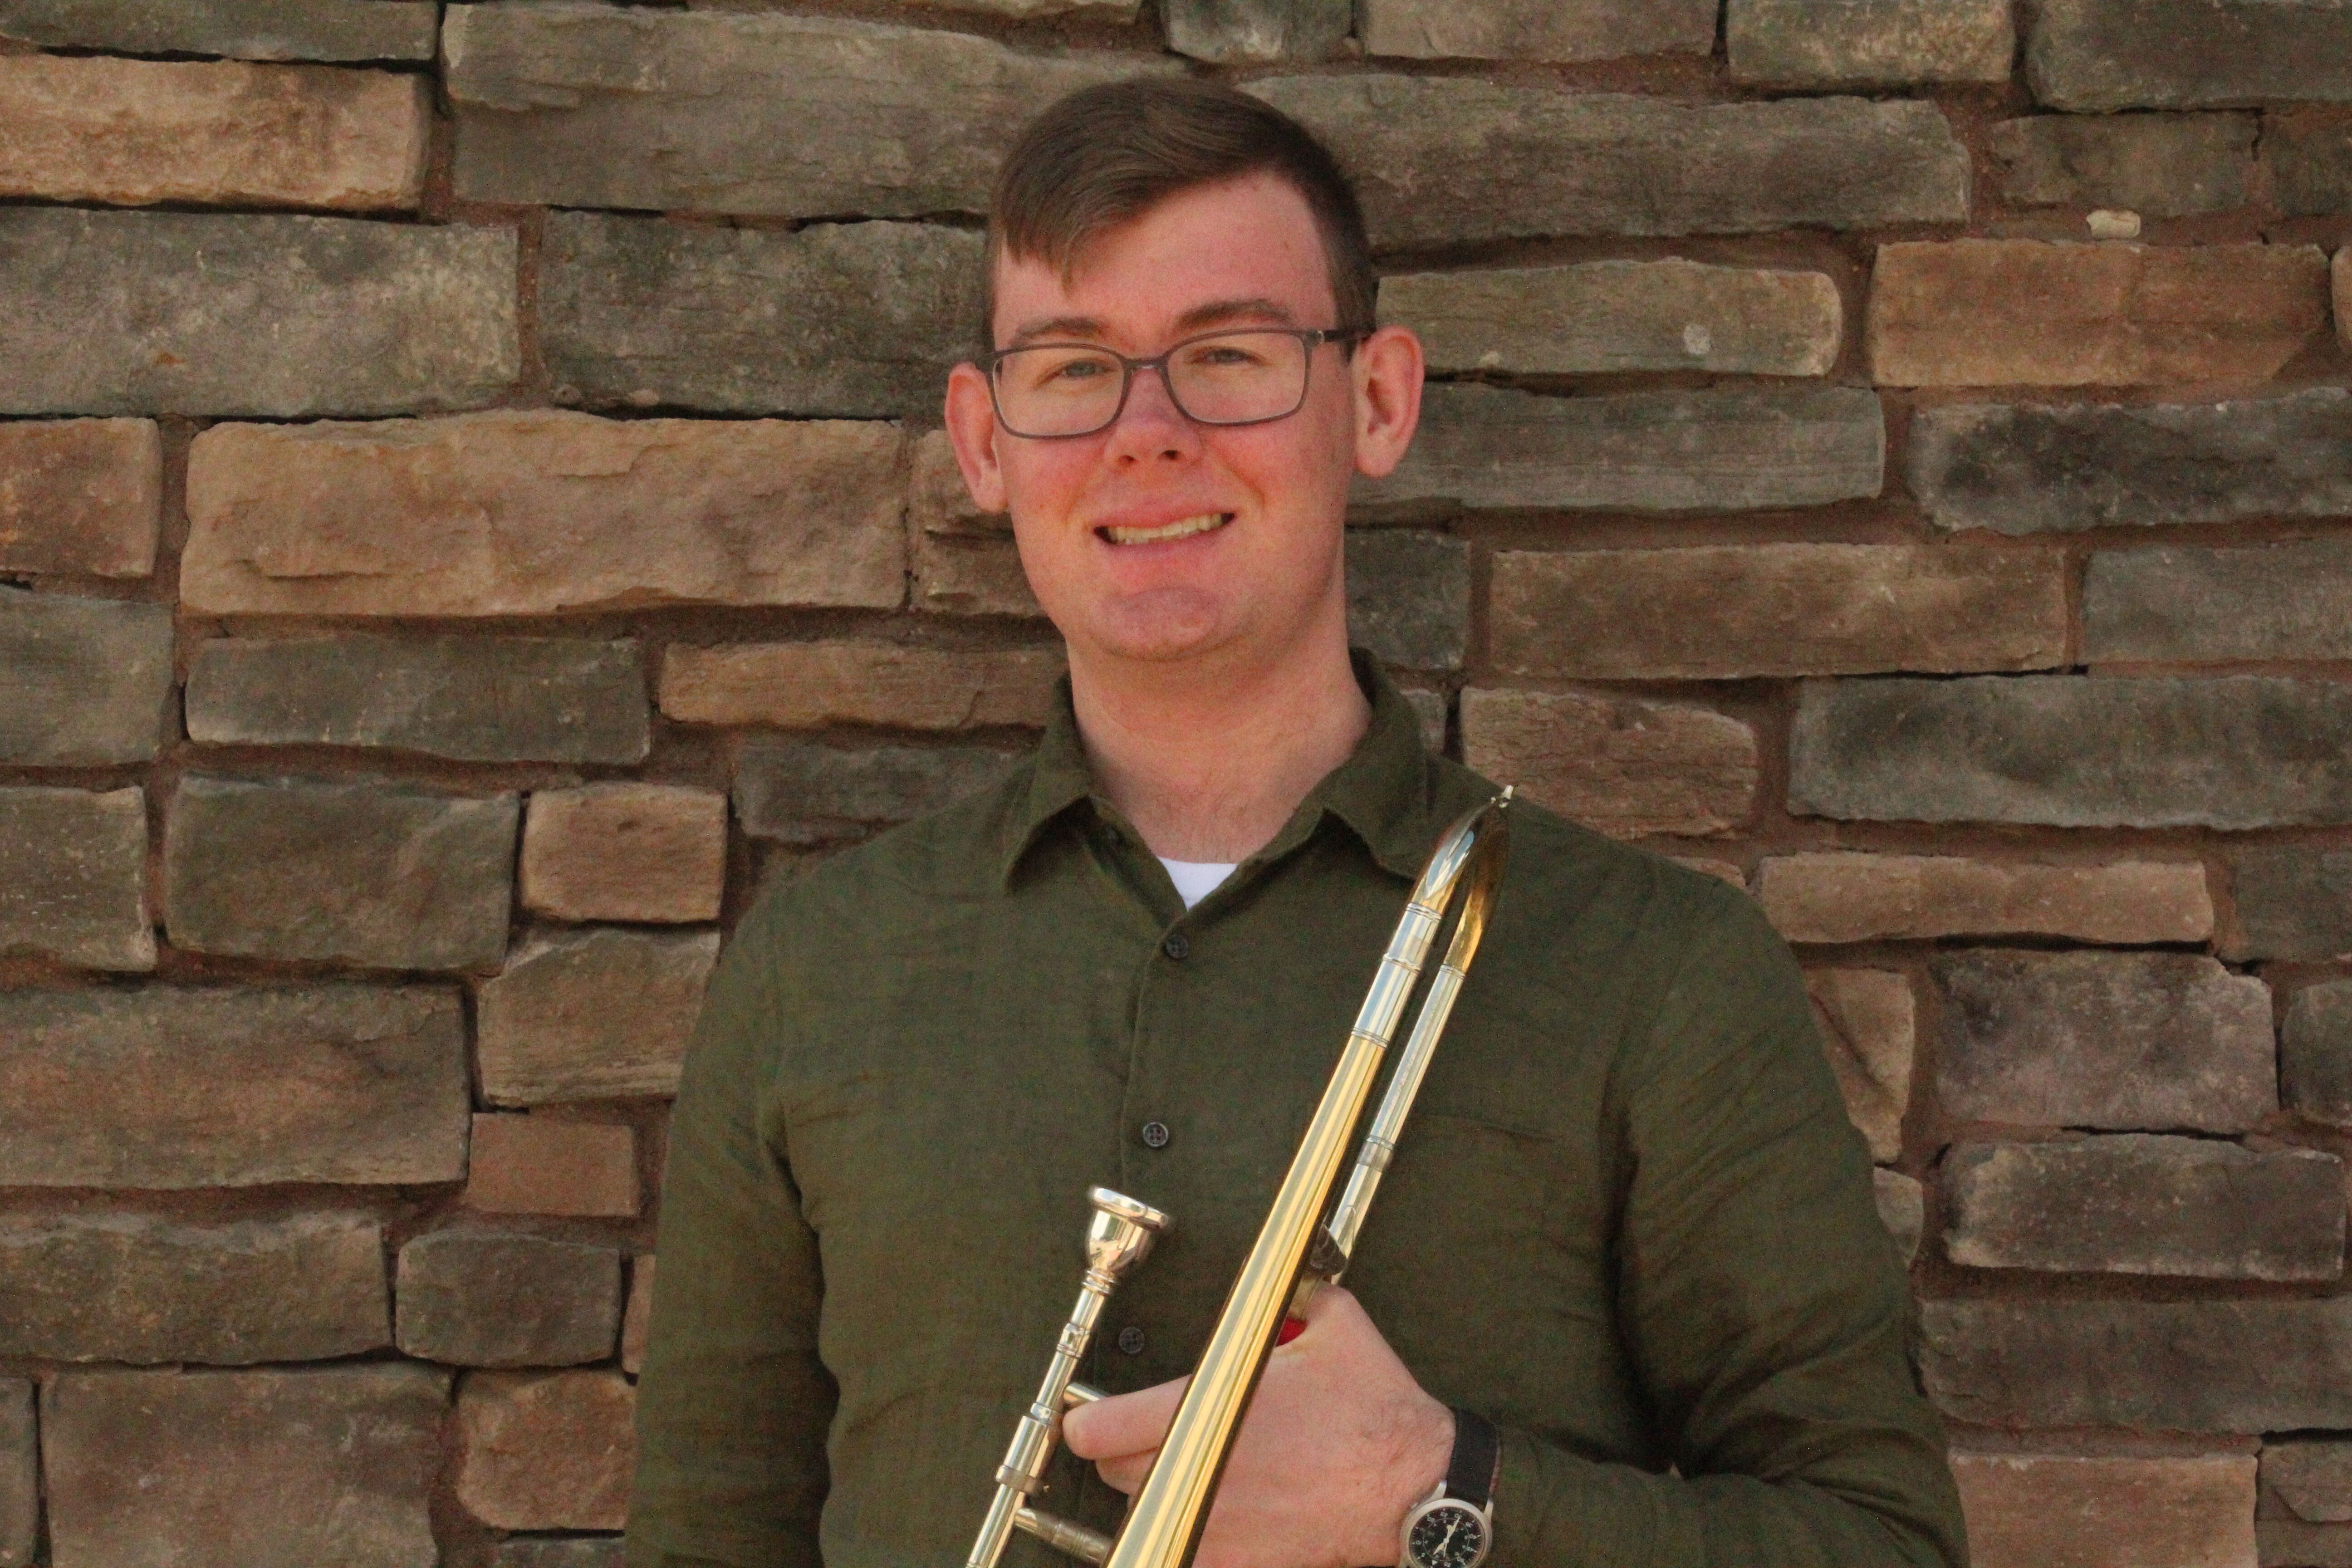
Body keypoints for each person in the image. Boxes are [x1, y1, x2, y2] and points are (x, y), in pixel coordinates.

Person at [627, 78, 1966, 1568]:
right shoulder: (813, 973)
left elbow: (1883, 1544)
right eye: (1072, 370)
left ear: (1376, 401)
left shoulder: (1657, 971)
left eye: (1228, 357)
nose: (1147, 435)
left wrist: (1434, 1491)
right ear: (984, 439)